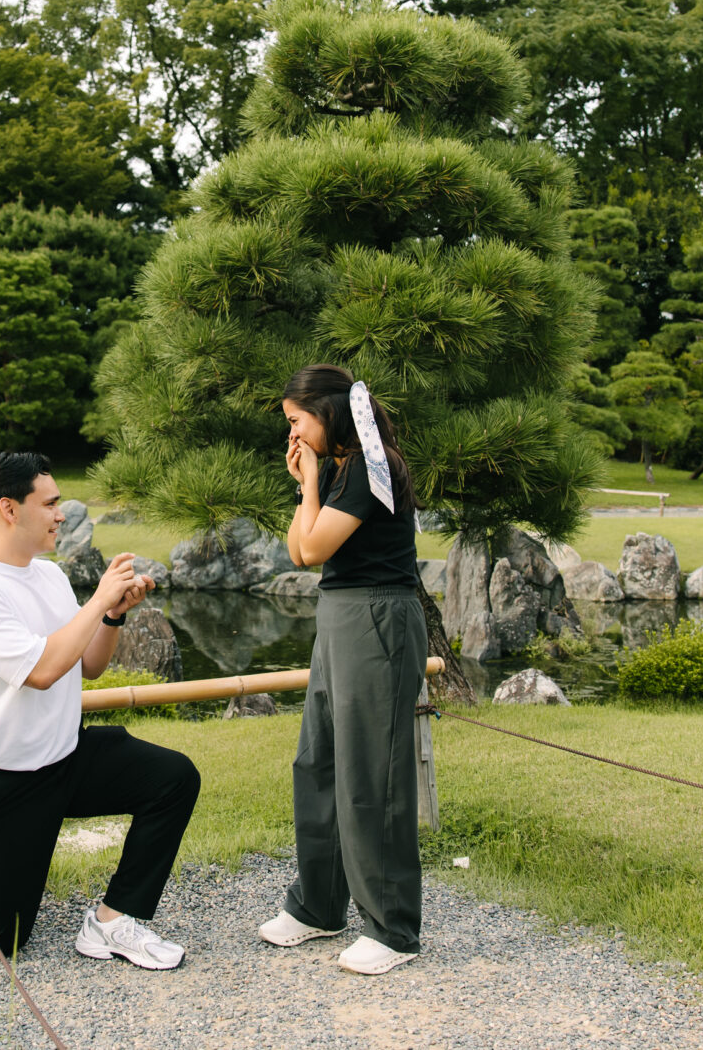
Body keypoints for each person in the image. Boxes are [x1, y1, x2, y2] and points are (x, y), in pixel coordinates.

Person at [0, 450, 201, 969]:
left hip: (64, 758)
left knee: (173, 778)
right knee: (3, 937)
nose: (61, 514)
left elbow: (88, 665)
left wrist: (113, 617)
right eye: (50, 503)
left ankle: (113, 921)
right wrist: (99, 600)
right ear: (9, 509)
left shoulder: (48, 576)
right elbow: (43, 670)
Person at [257, 364, 426, 975]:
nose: (294, 435)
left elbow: (313, 548)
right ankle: (319, 906)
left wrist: (307, 485)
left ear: (327, 413)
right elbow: (301, 552)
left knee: (371, 773)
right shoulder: (341, 470)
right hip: (341, 614)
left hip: (377, 618)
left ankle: (392, 928)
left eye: (298, 422)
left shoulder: (367, 470)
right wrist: (308, 480)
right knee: (319, 760)